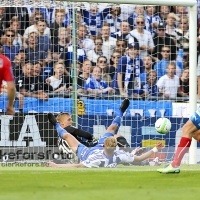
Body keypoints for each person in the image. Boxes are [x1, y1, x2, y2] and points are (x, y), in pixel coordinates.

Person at [47, 98, 164, 168]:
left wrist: (56, 166)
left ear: (103, 144)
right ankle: (120, 112)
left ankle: (56, 124)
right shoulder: (118, 155)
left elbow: (78, 166)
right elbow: (139, 158)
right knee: (113, 129)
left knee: (67, 136)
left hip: (86, 152)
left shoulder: (97, 159)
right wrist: (155, 149)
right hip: (93, 149)